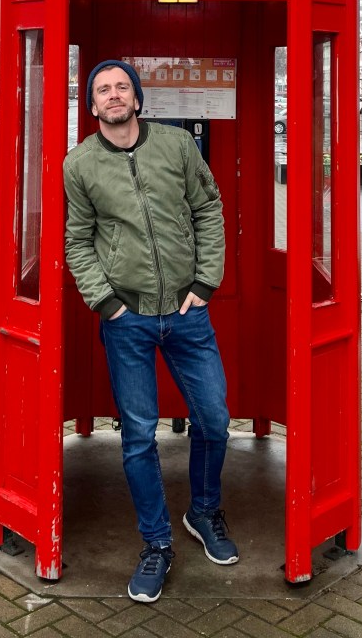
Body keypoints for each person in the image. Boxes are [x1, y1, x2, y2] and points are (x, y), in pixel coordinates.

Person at [63, 59, 237, 604]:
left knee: (214, 419)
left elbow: (208, 209)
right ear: (92, 105)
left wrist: (206, 281)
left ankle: (203, 512)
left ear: (137, 98)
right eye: (103, 90)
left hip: (186, 313)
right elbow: (77, 241)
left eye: (122, 87)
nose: (114, 95)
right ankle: (157, 543)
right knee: (138, 437)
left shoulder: (177, 146)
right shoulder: (80, 164)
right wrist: (107, 303)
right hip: (128, 320)